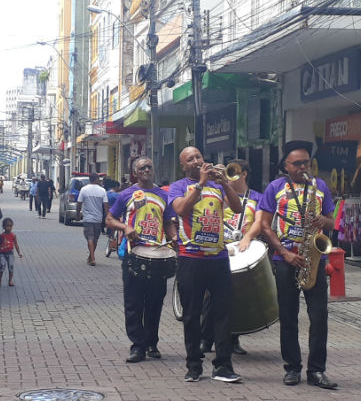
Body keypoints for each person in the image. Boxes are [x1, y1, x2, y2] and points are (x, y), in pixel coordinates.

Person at [258, 140, 337, 389]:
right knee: (288, 316)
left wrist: (324, 220)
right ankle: (292, 368)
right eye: (298, 163)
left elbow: (332, 222)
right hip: (286, 258)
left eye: (306, 162)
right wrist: (283, 252)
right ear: (286, 165)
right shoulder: (276, 187)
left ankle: (316, 370)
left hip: (313, 258)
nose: (303, 167)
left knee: (319, 317)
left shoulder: (320, 186)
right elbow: (264, 226)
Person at [170, 146, 243, 383]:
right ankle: (194, 365)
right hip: (191, 258)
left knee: (223, 312)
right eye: (190, 159)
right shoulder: (179, 186)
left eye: (198, 157)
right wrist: (200, 184)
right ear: (183, 166)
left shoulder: (218, 185)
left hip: (218, 258)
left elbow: (237, 208)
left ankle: (223, 365)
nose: (196, 161)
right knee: (191, 314)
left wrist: (224, 184)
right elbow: (180, 209)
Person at [106, 157, 177, 363]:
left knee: (155, 302)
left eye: (149, 167)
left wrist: (173, 237)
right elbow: (109, 219)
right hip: (134, 254)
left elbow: (168, 221)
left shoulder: (164, 195)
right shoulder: (126, 194)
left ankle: (151, 343)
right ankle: (137, 346)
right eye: (142, 168)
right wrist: (125, 227)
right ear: (135, 173)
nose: (146, 170)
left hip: (158, 255)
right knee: (134, 302)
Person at [199, 159, 262, 356]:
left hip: (242, 250)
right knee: (210, 296)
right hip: (219, 248)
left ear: (244, 174)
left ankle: (233, 338)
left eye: (233, 171)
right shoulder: (219, 193)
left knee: (236, 297)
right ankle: (206, 338)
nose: (229, 175)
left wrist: (248, 238)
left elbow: (259, 221)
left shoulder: (257, 197)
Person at [76, 172, 108, 266]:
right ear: (97, 179)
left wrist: (78, 215)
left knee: (90, 237)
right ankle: (91, 257)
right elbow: (106, 206)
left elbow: (79, 203)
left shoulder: (84, 189)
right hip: (98, 218)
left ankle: (92, 257)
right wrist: (107, 217)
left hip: (88, 218)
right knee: (95, 239)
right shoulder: (102, 190)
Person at [0, 217, 23, 287]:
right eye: (7, 226)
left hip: (10, 253)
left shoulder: (13, 235)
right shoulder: (2, 235)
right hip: (2, 253)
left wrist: (19, 253)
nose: (9, 227)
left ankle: (10, 280)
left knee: (11, 267)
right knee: (2, 266)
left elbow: (16, 244)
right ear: (3, 226)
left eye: (10, 226)